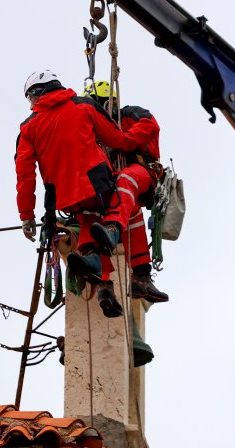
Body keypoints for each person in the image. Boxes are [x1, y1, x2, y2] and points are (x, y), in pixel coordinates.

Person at [15, 71, 166, 318]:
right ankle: (136, 269)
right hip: (99, 182)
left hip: (65, 196)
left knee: (89, 220)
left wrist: (27, 215)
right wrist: (125, 140)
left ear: (36, 93)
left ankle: (103, 283)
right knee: (123, 207)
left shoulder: (27, 127)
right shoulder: (83, 106)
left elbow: (25, 175)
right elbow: (117, 139)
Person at [81, 80, 169, 305]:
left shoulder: (133, 115)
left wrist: (117, 138)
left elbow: (147, 127)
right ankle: (109, 282)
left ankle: (112, 229)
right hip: (120, 191)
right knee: (96, 206)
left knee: (125, 181)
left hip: (141, 175)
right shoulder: (94, 132)